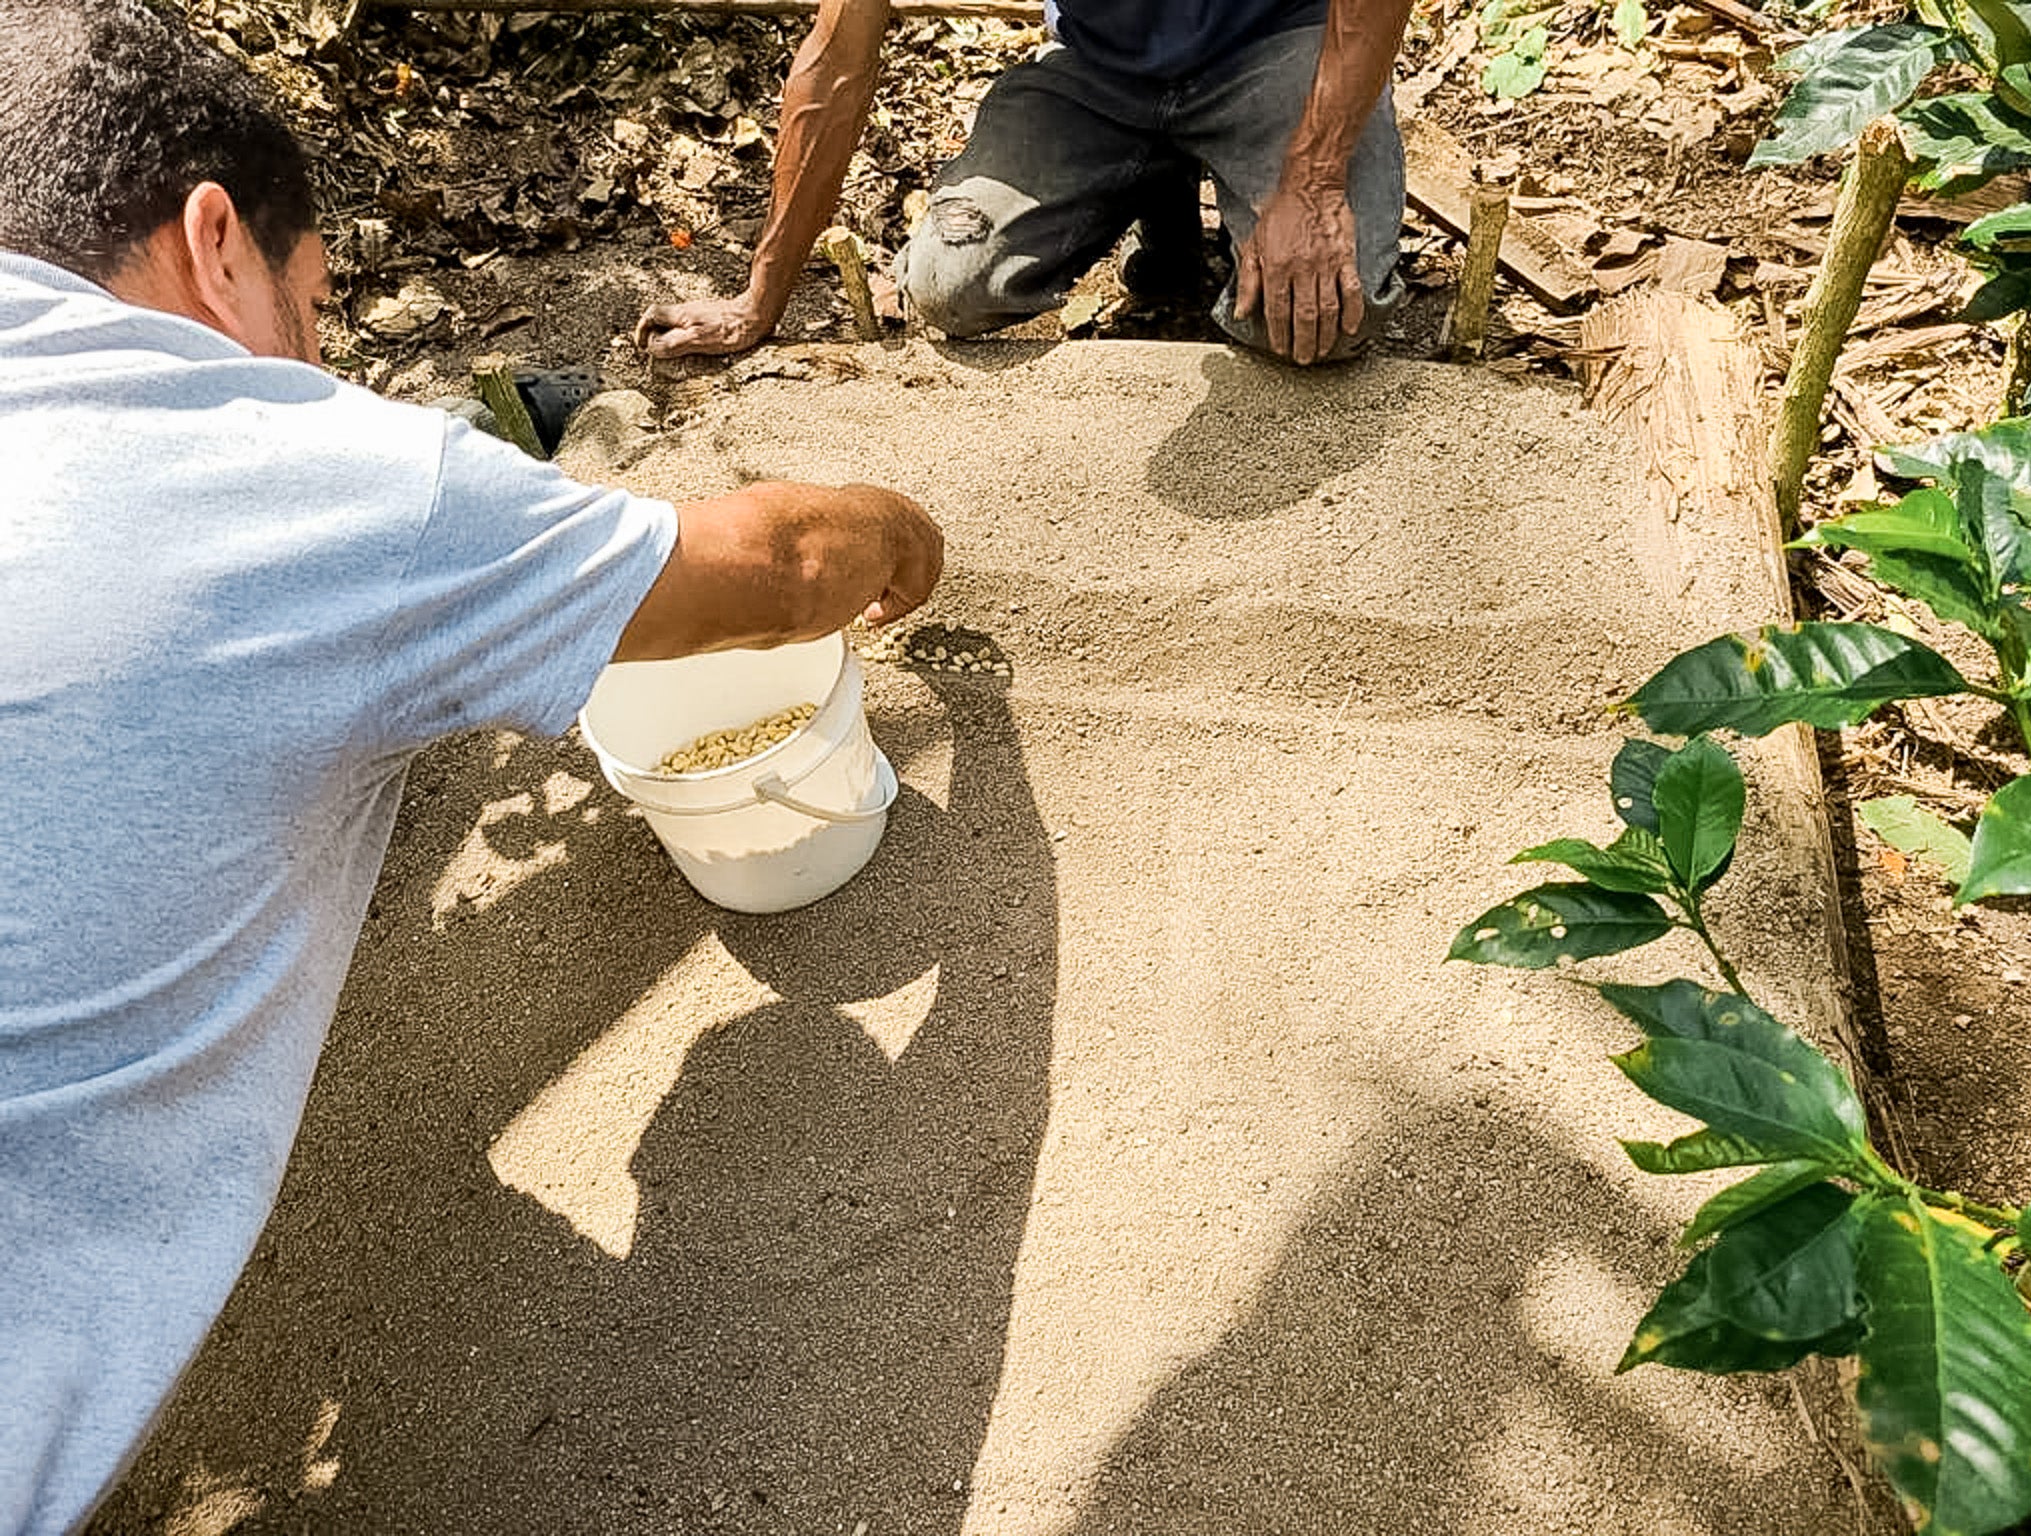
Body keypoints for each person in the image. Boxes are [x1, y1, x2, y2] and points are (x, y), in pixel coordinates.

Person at [0, 5, 942, 1533]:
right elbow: (780, 569)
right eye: (312, 309)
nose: (317, 363)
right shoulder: (292, 479)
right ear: (215, 236)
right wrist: (906, 535)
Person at [635, 0, 1410, 368]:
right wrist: (757, 298)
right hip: (1100, 69)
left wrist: (1311, 182)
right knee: (950, 283)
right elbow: (836, 64)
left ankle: (1208, 191)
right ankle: (1156, 184)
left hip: (1279, 48)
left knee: (1319, 319)